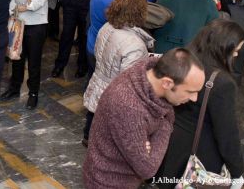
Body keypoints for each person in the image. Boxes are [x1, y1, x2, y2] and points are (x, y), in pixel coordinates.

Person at [82, 49, 206, 189]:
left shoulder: (145, 73)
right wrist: (164, 125)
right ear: (166, 83)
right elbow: (147, 169)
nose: (194, 99)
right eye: (190, 91)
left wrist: (149, 144)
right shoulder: (128, 106)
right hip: (109, 183)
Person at [155, 19, 244, 189]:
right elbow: (227, 134)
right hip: (196, 154)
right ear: (224, 48)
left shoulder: (183, 60)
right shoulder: (222, 82)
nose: (236, 55)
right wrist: (237, 173)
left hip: (167, 142)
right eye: (235, 51)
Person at [83, 0, 153, 146]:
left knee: (92, 118)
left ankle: (87, 137)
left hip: (99, 83)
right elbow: (130, 81)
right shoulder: (135, 45)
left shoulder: (107, 27)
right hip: (114, 93)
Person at [1, 0, 51, 109]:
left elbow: (36, 5)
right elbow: (10, 2)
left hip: (36, 27)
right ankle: (14, 87)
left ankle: (33, 93)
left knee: (34, 62)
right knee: (16, 57)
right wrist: (17, 9)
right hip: (18, 23)